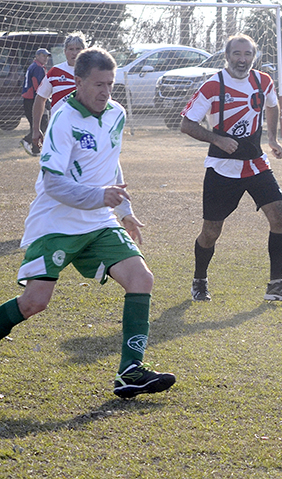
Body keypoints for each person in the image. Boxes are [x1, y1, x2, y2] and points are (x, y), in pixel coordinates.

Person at [0, 47, 176, 399]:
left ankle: (130, 371)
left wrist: (124, 211)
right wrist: (100, 196)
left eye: (110, 84)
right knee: (34, 302)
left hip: (98, 220)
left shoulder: (116, 114)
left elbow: (111, 163)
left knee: (141, 278)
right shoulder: (63, 118)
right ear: (78, 82)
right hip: (58, 222)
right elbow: (52, 182)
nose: (105, 92)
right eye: (98, 84)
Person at [181, 33, 282, 303]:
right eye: (237, 53)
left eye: (247, 54)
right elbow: (186, 124)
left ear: (254, 57)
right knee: (211, 231)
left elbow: (272, 105)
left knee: (280, 218)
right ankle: (200, 279)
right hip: (222, 168)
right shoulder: (213, 86)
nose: (242, 59)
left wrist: (272, 138)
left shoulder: (263, 81)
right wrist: (217, 139)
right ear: (227, 56)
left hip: (256, 164)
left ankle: (276, 285)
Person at [32, 32, 86, 154]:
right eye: (71, 49)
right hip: (59, 130)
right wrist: (36, 129)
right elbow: (40, 99)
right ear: (65, 51)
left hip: (85, 131)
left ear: (85, 50)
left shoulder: (93, 72)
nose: (74, 52)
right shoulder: (55, 72)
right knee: (57, 169)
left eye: (78, 49)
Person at [20, 48, 50, 156]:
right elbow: (38, 85)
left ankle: (36, 150)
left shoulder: (34, 66)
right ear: (37, 56)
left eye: (47, 56)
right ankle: (27, 140)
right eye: (43, 55)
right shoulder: (38, 68)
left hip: (28, 99)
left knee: (36, 124)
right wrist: (45, 100)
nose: (45, 58)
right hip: (33, 99)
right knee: (42, 123)